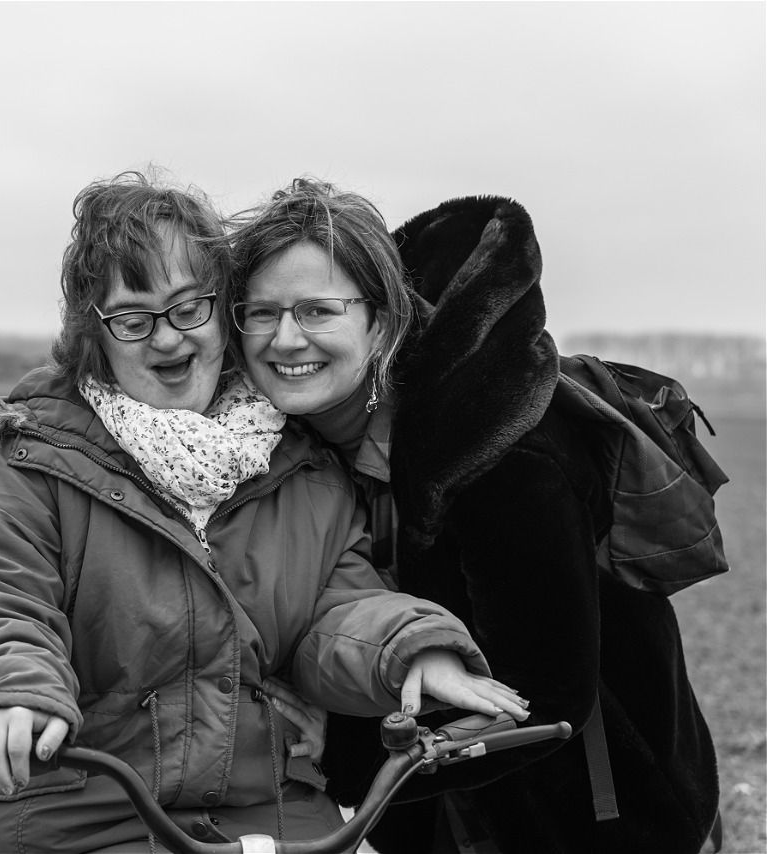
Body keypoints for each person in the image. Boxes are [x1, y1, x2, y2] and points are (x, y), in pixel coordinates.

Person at [0, 171, 529, 854]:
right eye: (133, 319)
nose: (167, 340)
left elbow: (338, 612)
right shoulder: (33, 458)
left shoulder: (302, 465)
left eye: (189, 308)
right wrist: (13, 690)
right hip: (74, 805)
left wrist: (411, 652)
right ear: (93, 334)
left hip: (263, 806)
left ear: (224, 310)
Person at [226, 178, 721, 854]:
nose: (286, 339)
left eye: (317, 311)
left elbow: (546, 697)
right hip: (443, 818)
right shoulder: (287, 448)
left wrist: (338, 749)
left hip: (591, 813)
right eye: (262, 312)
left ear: (381, 321)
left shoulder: (499, 449)